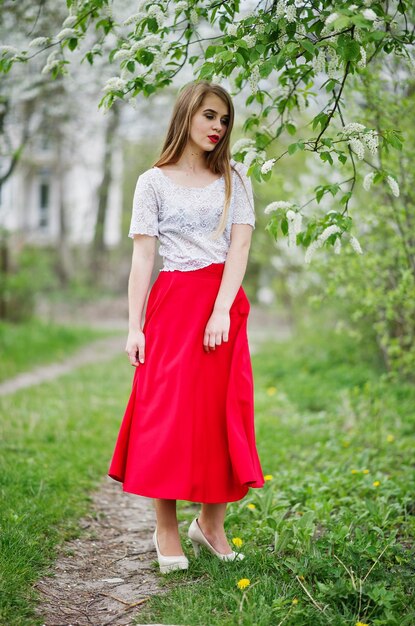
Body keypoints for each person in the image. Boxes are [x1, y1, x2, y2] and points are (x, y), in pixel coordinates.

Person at [108, 79, 265, 574]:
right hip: (172, 305)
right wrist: (134, 326)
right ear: (187, 115)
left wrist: (221, 310)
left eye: (224, 119)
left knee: (221, 415)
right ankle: (167, 527)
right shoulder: (151, 181)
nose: (218, 126)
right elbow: (143, 258)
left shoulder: (235, 179)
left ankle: (211, 525)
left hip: (222, 304)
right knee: (168, 415)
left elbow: (239, 249)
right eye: (209, 116)